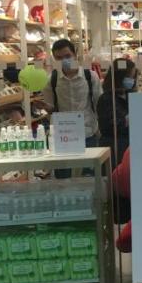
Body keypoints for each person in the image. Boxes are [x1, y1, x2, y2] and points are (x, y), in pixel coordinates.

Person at [42, 39, 101, 178]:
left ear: (75, 55)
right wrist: (47, 108)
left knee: (89, 177)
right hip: (63, 136)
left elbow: (99, 102)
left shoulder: (90, 76)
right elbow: (51, 108)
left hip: (87, 133)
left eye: (67, 56)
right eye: (59, 58)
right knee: (63, 179)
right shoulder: (52, 80)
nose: (64, 60)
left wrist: (100, 129)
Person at [97, 58, 137, 167]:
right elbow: (109, 126)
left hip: (128, 146)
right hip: (115, 148)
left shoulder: (130, 95)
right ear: (119, 76)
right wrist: (129, 120)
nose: (132, 80)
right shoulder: (106, 99)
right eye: (129, 76)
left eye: (133, 77)